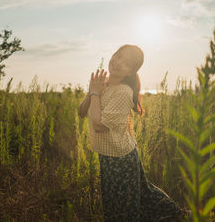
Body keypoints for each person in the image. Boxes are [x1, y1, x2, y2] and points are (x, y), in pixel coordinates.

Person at [78, 44, 189, 221]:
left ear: (130, 72)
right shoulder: (102, 86)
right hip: (107, 155)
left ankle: (178, 215)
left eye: (127, 63)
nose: (118, 62)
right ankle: (178, 214)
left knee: (126, 205)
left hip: (121, 158)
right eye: (118, 56)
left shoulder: (123, 93)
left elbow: (99, 125)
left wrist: (96, 94)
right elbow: (82, 112)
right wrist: (93, 91)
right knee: (135, 194)